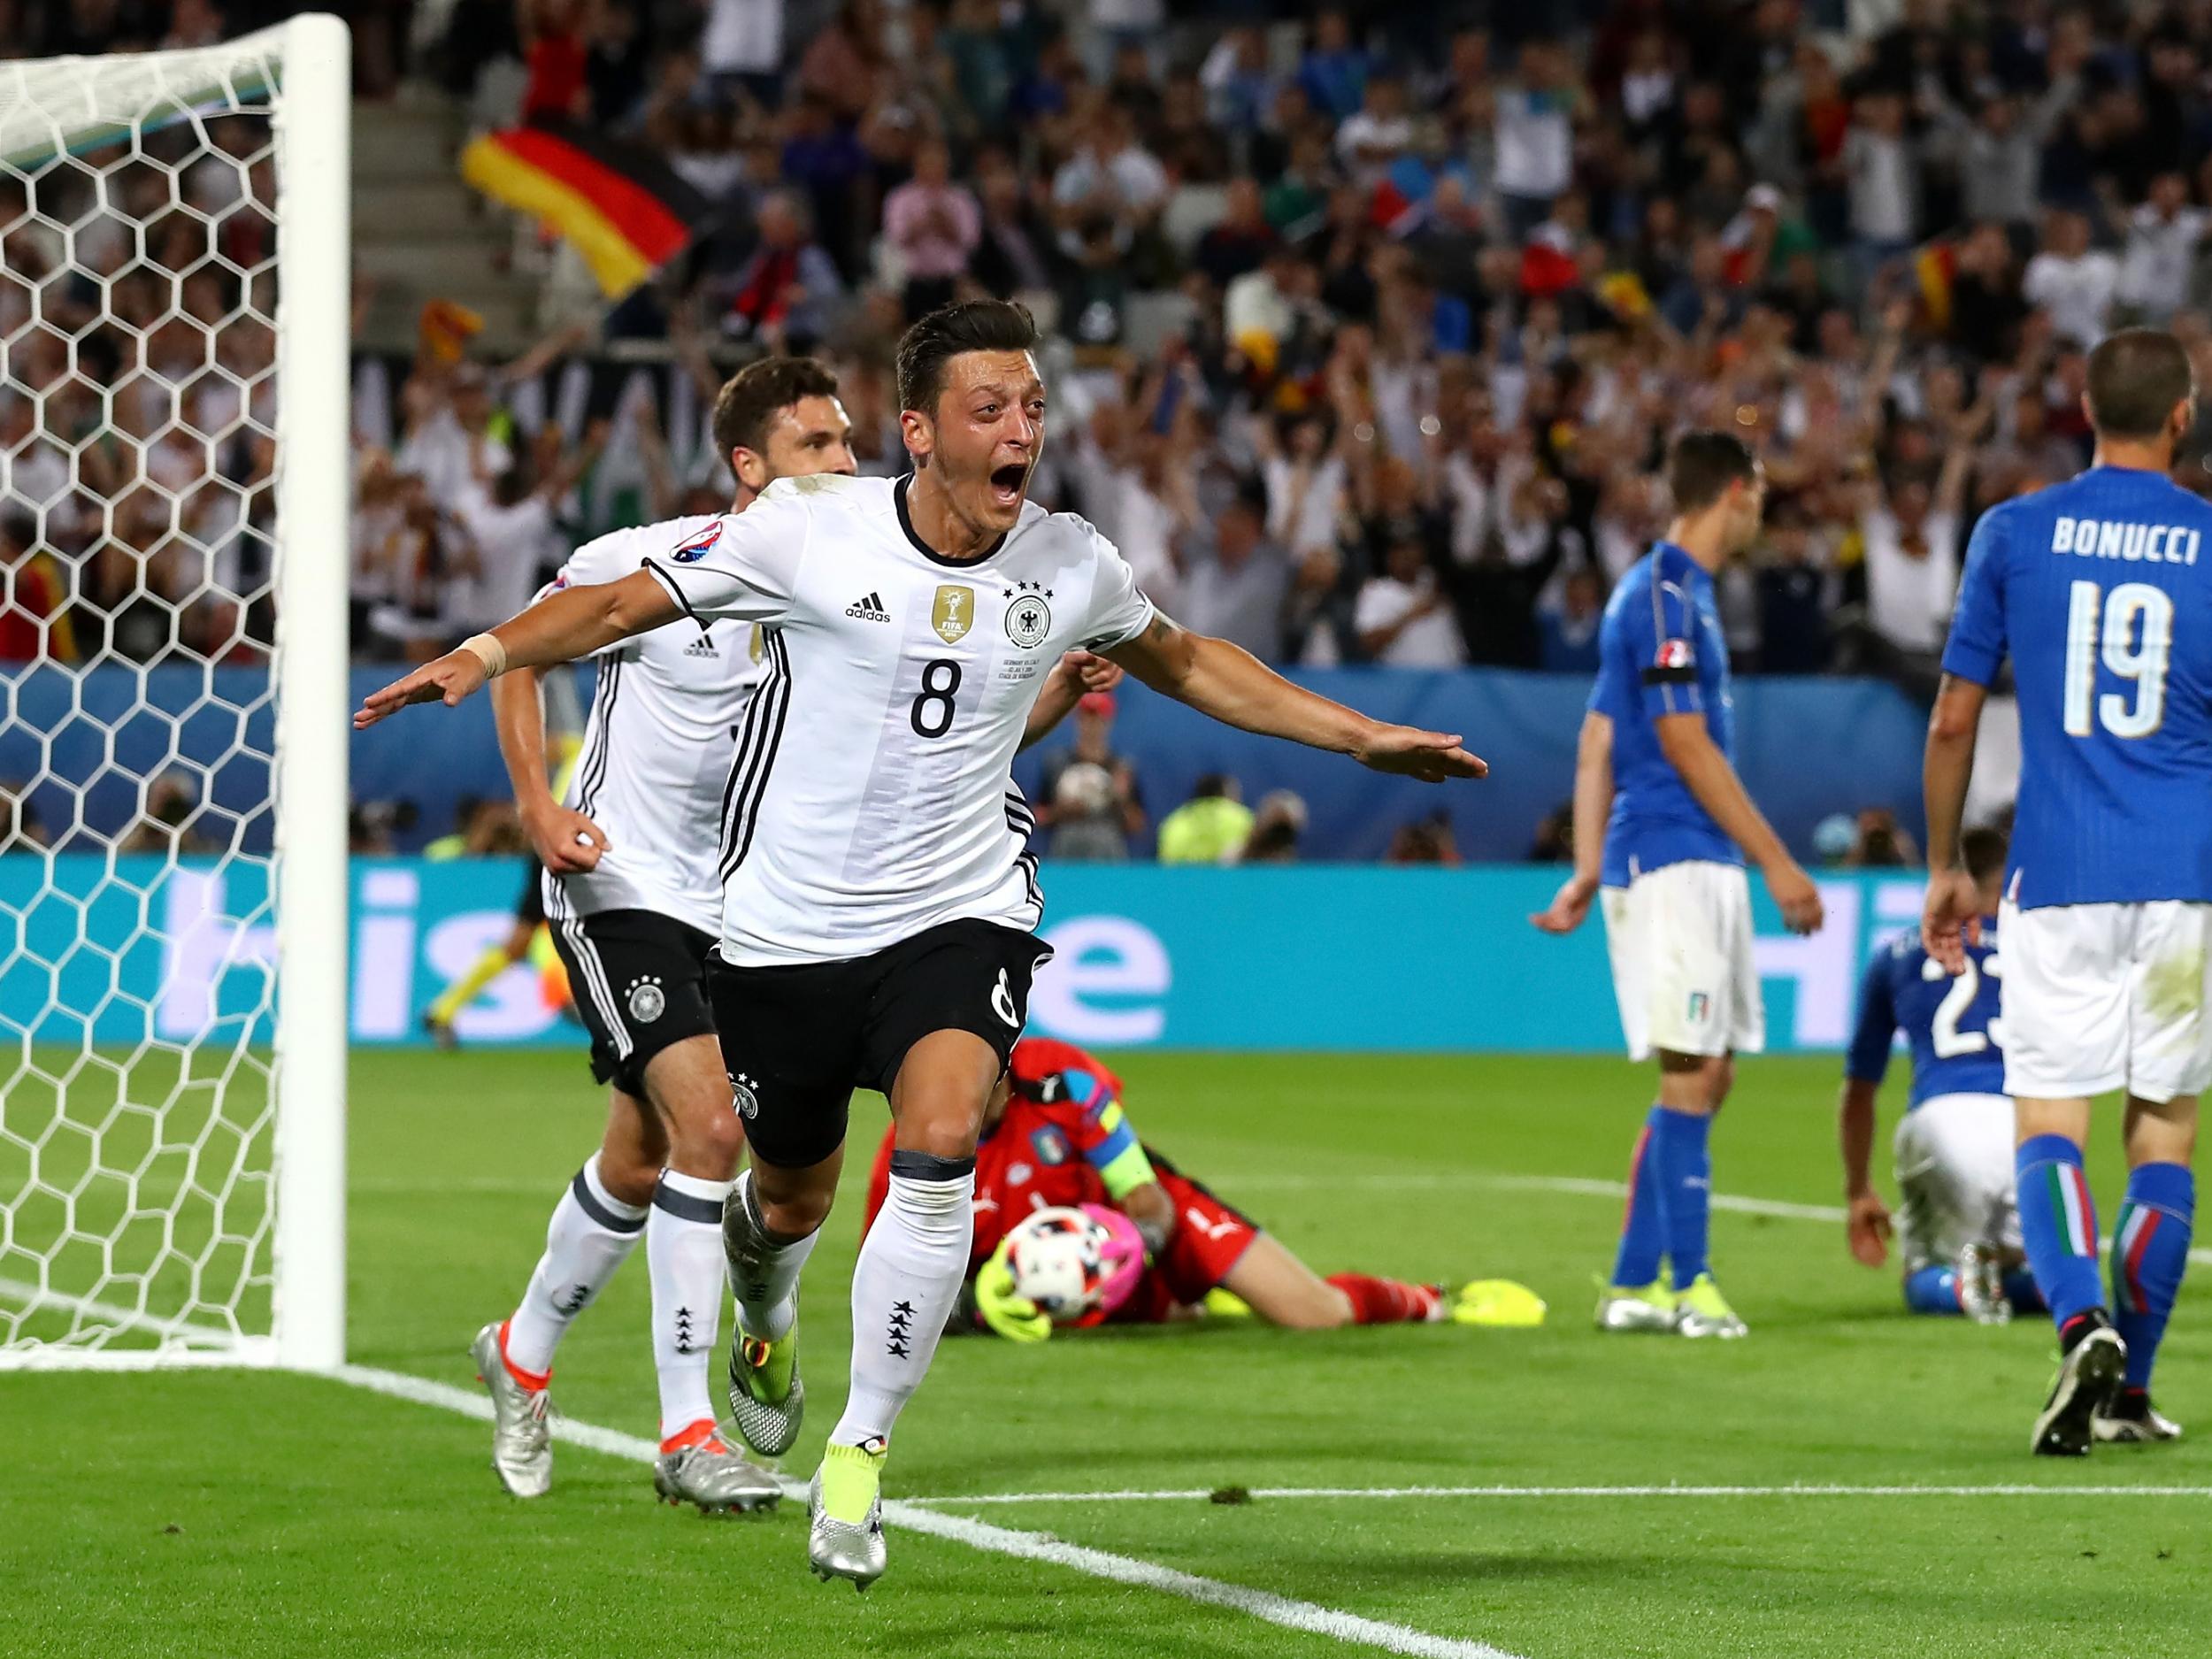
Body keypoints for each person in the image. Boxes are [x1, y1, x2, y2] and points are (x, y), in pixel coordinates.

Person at [356, 299, 1483, 1589]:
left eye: (1035, 408)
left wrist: (1358, 735)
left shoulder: (1069, 559)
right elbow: (607, 606)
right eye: (991, 410)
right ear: (922, 431)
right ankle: (759, 1312)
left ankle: (855, 1449)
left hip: (959, 906)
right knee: (780, 1201)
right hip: (776, 924)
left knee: (941, 1131)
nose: (1023, 432)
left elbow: (1190, 660)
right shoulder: (804, 535)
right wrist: (484, 652)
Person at [462, 356, 1118, 1510]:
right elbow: (526, 647)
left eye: (849, 441)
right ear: (751, 467)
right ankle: (688, 1436)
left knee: (638, 1153)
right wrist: (537, 805)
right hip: (624, 879)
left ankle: (519, 1349)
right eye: (817, 446)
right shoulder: (647, 559)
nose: (844, 463)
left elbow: (923, 758)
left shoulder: (854, 576)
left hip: (755, 907)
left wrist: (1046, 699)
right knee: (711, 1132)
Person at [1923, 327, 2212, 1455]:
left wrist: (1949, 861)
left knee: (2050, 1119)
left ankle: (2081, 1322)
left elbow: (1954, 717)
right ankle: (2130, 1386)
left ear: (2083, 407)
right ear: (2181, 417)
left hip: (2056, 874)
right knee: (2164, 1138)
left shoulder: (2014, 531)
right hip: (2185, 880)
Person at [1531, 430, 1824, 1340]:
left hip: (1680, 857)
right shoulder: (1662, 595)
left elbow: (1595, 742)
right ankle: (1689, 1286)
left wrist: (1583, 867)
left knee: (1712, 1069)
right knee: (1692, 1070)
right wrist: (1778, 858)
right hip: (1672, 855)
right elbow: (1683, 742)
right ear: (1731, 493)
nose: (1762, 515)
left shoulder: (1676, 595)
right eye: (1760, 496)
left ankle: (1632, 1282)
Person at [860, 1035, 1525, 1337]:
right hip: (1049, 1284)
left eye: (994, 1073)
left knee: (1314, 1313)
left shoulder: (1063, 1078)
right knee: (1179, 1320)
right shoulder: (911, 1143)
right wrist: (978, 1307)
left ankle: (1430, 1301)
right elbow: (891, 1288)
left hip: (1146, 1232)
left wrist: (1126, 1241)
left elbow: (1146, 1197)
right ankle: (1197, 1304)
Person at [1841, 826, 2044, 1323]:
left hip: (1942, 1121)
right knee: (2042, 1279)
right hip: (2027, 1128)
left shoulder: (1894, 956)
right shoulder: (2036, 951)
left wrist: (1858, 1189)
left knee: (1924, 1275)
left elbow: (1860, 1091)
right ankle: (2028, 1284)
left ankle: (1955, 1289)